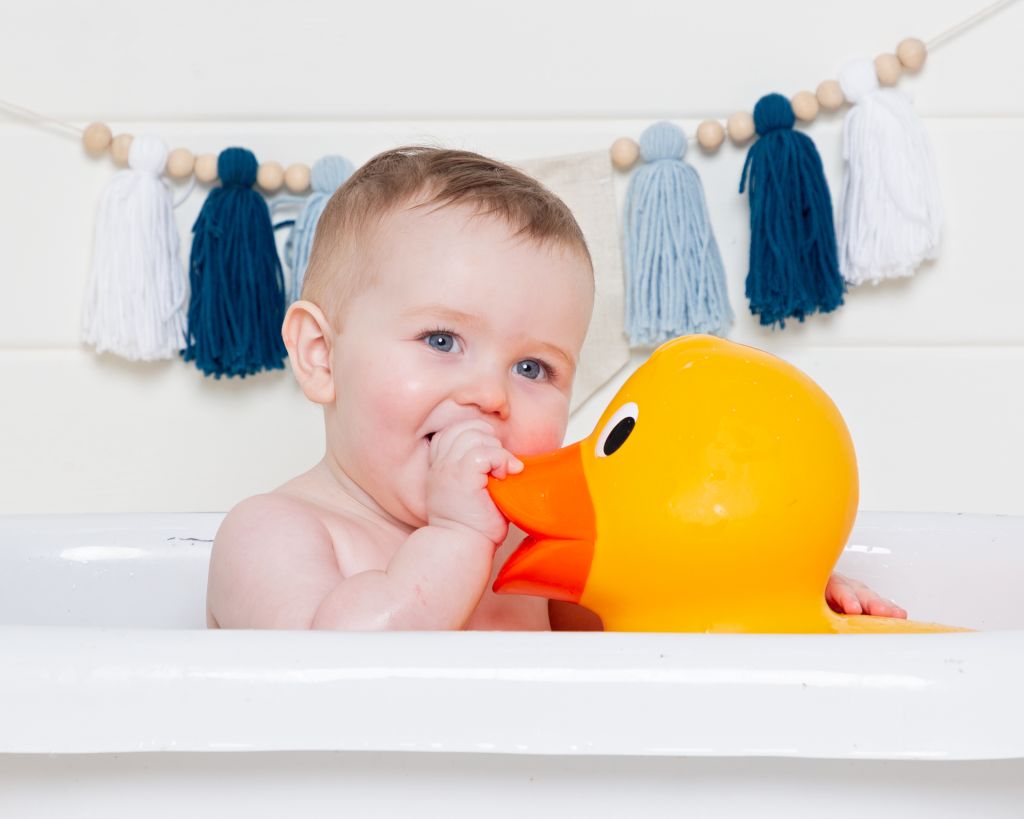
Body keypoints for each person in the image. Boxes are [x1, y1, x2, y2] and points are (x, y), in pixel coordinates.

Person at [206, 146, 905, 631]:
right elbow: (326, 684)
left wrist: (779, 597)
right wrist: (454, 536)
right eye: (442, 340)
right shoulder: (275, 534)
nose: (491, 396)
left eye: (533, 368)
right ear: (321, 355)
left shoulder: (530, 550)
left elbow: (656, 632)